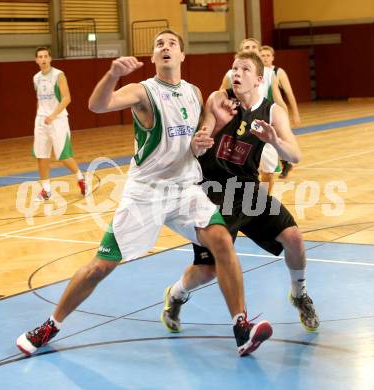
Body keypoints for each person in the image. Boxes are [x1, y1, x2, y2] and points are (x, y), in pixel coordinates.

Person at [17, 30, 272, 357]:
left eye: (172, 44)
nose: (165, 47)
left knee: (222, 240)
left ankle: (241, 328)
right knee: (101, 266)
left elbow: (199, 140)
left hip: (183, 189)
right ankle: (49, 326)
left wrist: (210, 131)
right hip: (146, 193)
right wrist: (112, 75)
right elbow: (98, 105)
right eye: (159, 44)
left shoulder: (194, 93)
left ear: (182, 55)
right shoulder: (142, 91)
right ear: (153, 57)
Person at [161, 51, 319, 337]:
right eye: (234, 68)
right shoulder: (218, 99)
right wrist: (202, 137)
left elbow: (294, 154)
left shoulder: (272, 111)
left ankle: (299, 292)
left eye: (244, 69)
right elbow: (203, 137)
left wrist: (274, 141)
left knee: (294, 238)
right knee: (208, 270)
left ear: (259, 79)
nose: (237, 73)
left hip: (247, 190)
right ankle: (176, 294)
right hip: (211, 191)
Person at [219, 38, 286, 194]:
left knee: (268, 172)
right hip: (239, 128)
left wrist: (285, 123)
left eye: (254, 46)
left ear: (258, 51)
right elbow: (220, 97)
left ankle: (262, 204)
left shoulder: (269, 74)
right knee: (238, 170)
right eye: (246, 46)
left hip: (263, 128)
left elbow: (278, 99)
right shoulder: (230, 74)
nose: (250, 48)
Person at [33, 47, 86, 201]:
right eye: (40, 57)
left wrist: (53, 115)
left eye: (45, 56)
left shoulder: (58, 75)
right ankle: (46, 190)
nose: (43, 59)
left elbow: (67, 98)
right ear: (36, 60)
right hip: (41, 120)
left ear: (50, 58)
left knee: (62, 155)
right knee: (41, 155)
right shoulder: (36, 78)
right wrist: (39, 116)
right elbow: (39, 100)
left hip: (58, 120)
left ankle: (81, 178)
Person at [260, 45, 301, 179]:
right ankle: (280, 164)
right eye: (263, 55)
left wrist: (295, 113)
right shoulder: (256, 72)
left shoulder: (278, 72)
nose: (265, 58)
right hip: (261, 111)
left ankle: (285, 162)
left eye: (268, 55)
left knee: (278, 138)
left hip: (275, 109)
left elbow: (289, 93)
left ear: (272, 57)